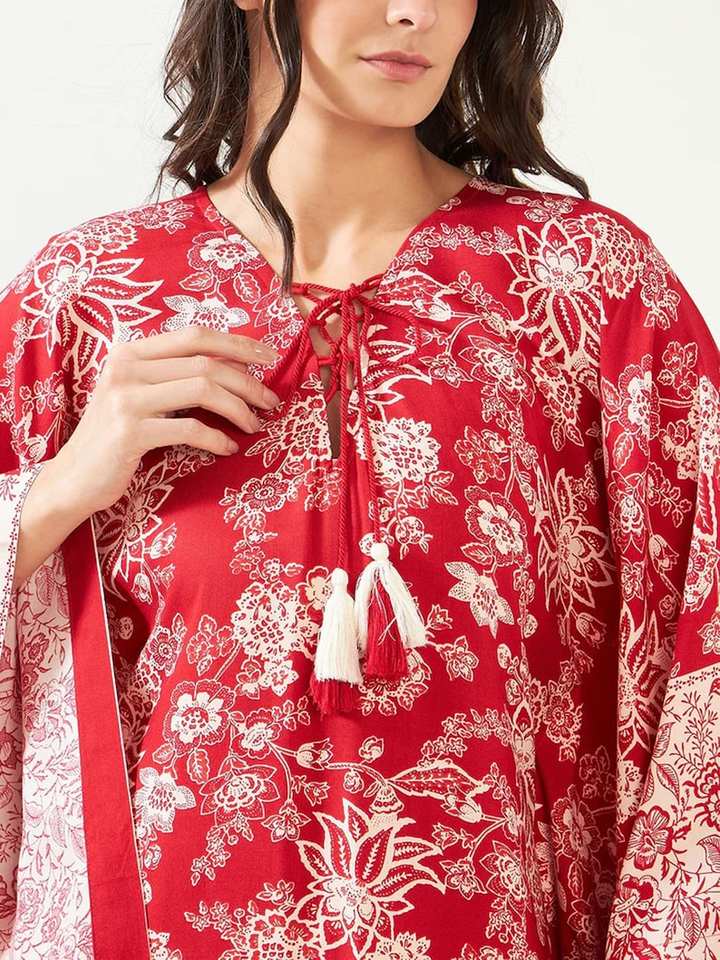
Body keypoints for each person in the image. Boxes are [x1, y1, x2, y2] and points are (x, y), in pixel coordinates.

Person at [0, 1, 717, 958]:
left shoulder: (585, 288)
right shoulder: (89, 301)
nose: (415, 11)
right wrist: (57, 492)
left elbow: (703, 636)